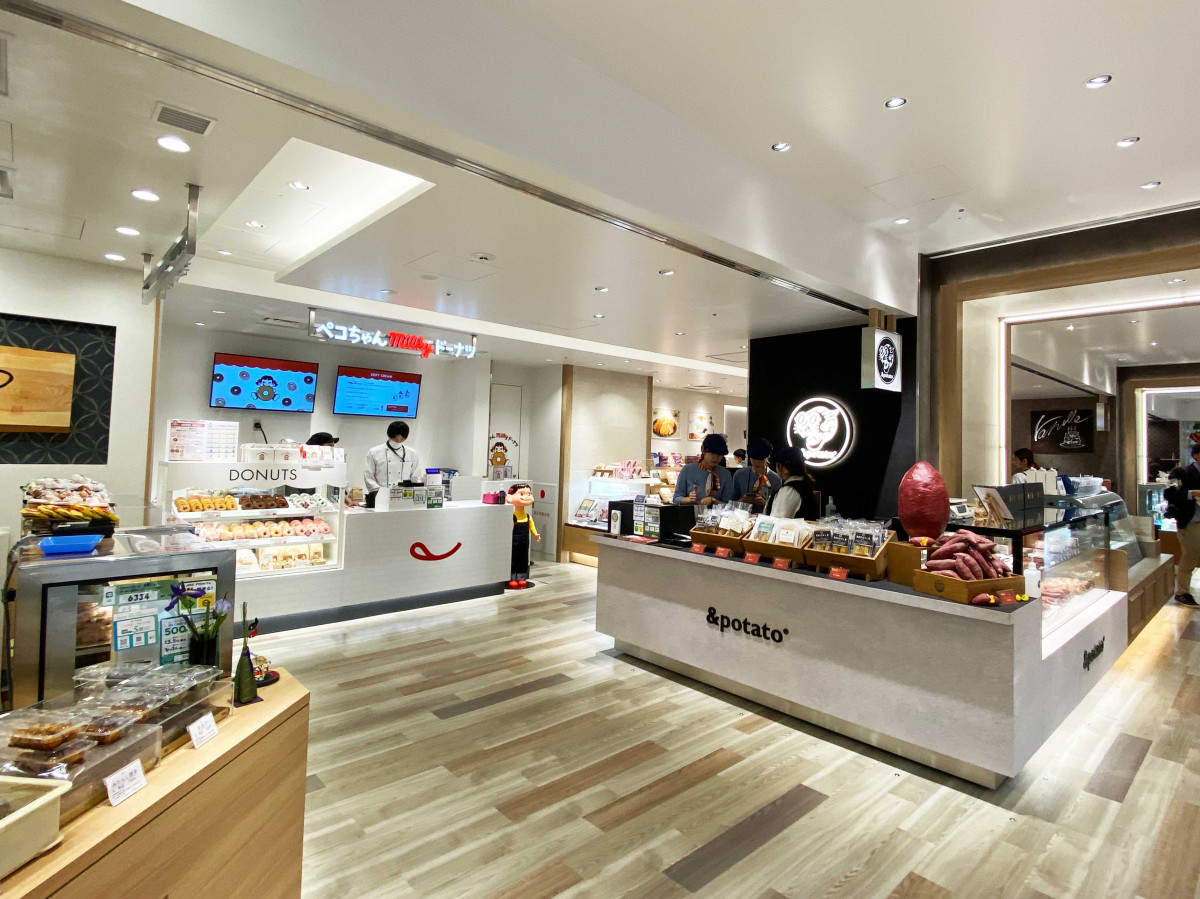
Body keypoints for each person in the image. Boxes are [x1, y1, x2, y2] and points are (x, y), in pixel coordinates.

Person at [1165, 443, 1200, 606]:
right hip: (1191, 523)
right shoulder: (1181, 472)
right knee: (1190, 557)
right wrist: (1193, 493)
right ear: (1196, 455)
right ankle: (1182, 592)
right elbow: (1169, 494)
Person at [363, 420, 423, 507]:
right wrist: (378, 493)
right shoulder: (374, 452)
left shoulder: (412, 453)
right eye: (395, 438)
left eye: (401, 439)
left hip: (405, 497)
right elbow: (368, 476)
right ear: (389, 435)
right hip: (381, 496)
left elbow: (416, 476)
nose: (398, 441)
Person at [673, 434, 734, 505]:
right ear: (703, 450)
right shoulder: (688, 470)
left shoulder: (725, 474)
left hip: (716, 512)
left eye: (719, 455)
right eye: (712, 453)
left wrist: (713, 500)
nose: (715, 458)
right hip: (692, 511)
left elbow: (728, 504)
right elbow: (676, 498)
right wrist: (688, 499)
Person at [766, 445, 819, 519]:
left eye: (777, 465)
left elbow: (777, 520)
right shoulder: (804, 484)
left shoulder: (789, 490)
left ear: (785, 469)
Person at [506, 483, 540, 589]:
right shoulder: (512, 516)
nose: (526, 497)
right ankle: (511, 577)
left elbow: (532, 526)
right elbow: (509, 529)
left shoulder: (527, 516)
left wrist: (535, 534)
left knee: (523, 558)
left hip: (525, 541)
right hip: (513, 541)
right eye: (521, 494)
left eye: (528, 494)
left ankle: (521, 577)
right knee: (513, 558)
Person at [732, 438, 782, 509]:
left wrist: (765, 504)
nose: (756, 462)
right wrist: (741, 501)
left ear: (767, 457)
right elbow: (730, 504)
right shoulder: (739, 475)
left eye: (760, 460)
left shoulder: (776, 479)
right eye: (753, 459)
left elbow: (779, 508)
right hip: (741, 514)